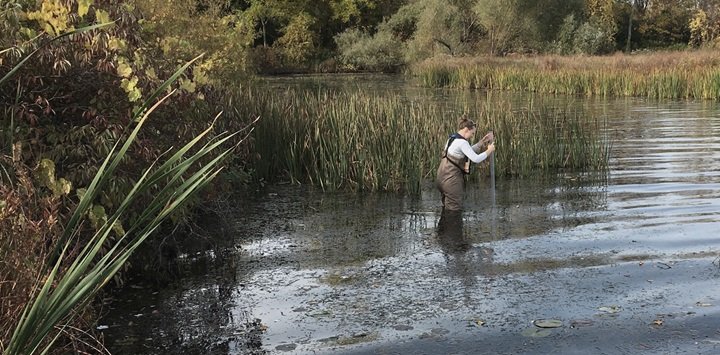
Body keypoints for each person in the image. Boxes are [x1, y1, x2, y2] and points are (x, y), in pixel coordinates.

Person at [436, 115, 495, 211]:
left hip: (441, 179)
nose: (472, 136)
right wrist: (489, 151)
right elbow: (475, 158)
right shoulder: (462, 143)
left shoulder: (452, 139)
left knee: (446, 209)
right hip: (451, 181)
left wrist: (481, 143)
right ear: (466, 129)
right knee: (453, 211)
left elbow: (467, 152)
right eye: (472, 133)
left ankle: (444, 226)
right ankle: (453, 226)